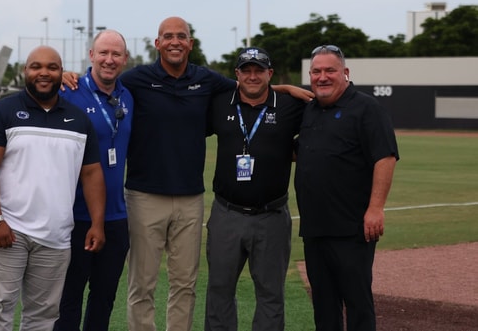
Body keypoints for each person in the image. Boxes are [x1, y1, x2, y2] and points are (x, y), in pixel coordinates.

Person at [63, 17, 312, 331]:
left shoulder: (206, 79)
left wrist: (284, 88)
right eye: (168, 36)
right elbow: (100, 82)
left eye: (181, 36)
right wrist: (64, 75)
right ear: (157, 43)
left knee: (185, 284)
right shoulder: (137, 79)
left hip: (191, 199)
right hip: (143, 195)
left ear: (190, 43)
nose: (175, 41)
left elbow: (250, 86)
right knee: (142, 284)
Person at [0, 46, 107, 331]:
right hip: (9, 230)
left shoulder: (79, 119)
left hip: (56, 236)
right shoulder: (1, 112)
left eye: (52, 67)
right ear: (25, 71)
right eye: (36, 67)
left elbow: (92, 173)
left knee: (43, 317)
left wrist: (97, 223)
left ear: (61, 72)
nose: (44, 73)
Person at [294, 45, 399, 331]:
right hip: (315, 229)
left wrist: (376, 209)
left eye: (330, 70)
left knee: (357, 304)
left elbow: (386, 157)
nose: (322, 77)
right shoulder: (311, 110)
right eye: (316, 71)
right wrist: (288, 88)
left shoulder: (367, 108)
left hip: (352, 229)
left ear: (346, 73)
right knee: (324, 307)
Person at [204, 47, 305, 331]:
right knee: (219, 291)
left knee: (271, 294)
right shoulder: (220, 102)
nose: (252, 76)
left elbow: (320, 127)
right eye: (245, 70)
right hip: (226, 214)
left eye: (258, 70)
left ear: (269, 74)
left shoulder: (290, 105)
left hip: (271, 216)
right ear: (236, 74)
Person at [54, 30, 133, 331]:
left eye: (116, 54)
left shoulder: (127, 96)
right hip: (74, 216)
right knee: (68, 299)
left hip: (115, 216)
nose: (109, 60)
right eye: (103, 53)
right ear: (91, 55)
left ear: (125, 59)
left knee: (104, 299)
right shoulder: (68, 92)